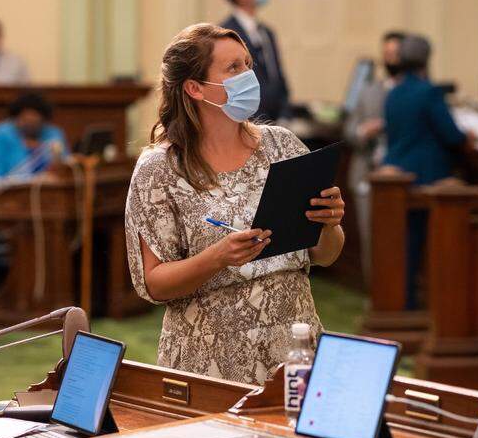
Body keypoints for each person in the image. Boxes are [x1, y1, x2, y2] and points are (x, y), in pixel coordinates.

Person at [124, 23, 344, 384]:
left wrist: (330, 222)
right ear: (194, 88)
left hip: (294, 349)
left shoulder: (282, 145)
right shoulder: (159, 169)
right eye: (233, 69)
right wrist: (218, 257)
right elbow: (154, 283)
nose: (248, 76)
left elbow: (326, 255)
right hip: (209, 358)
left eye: (247, 64)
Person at [383, 35, 468, 309]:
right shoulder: (429, 92)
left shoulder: (394, 92)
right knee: (423, 245)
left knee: (403, 245)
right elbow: (452, 135)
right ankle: (425, 305)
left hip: (395, 172)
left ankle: (401, 300)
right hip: (426, 177)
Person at [344, 31, 405, 282]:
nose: (390, 59)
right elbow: (348, 129)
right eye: (386, 54)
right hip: (367, 171)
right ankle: (376, 294)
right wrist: (363, 130)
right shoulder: (368, 91)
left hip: (401, 174)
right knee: (371, 238)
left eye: (395, 54)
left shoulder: (412, 93)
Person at [218, 0, 289, 122]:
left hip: (276, 121)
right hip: (248, 122)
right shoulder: (225, 34)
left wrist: (284, 115)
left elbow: (279, 78)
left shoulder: (267, 32)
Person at [0, 92, 69, 181]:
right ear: (15, 118)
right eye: (25, 120)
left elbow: (65, 169)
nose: (30, 124)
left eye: (35, 121)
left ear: (44, 120)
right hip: (6, 192)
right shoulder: (0, 135)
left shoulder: (54, 135)